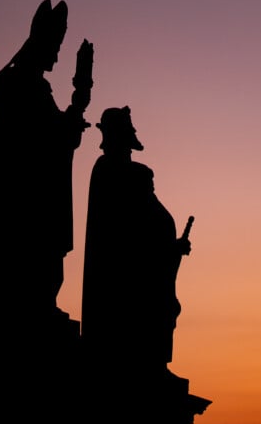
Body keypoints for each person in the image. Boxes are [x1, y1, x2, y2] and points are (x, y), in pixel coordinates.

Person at [0, 0, 92, 327]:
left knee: (47, 257)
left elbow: (59, 133)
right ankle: (27, 309)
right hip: (25, 194)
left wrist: (78, 101)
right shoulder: (15, 85)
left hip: (44, 190)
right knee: (29, 253)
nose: (57, 55)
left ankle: (39, 305)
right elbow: (40, 136)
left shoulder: (37, 87)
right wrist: (76, 104)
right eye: (54, 46)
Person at [80, 106, 191, 375]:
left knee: (162, 310)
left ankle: (153, 362)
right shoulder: (110, 170)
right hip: (128, 270)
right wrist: (167, 248)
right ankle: (140, 362)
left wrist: (171, 248)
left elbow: (148, 223)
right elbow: (125, 230)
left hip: (150, 265)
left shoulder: (136, 172)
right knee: (147, 312)